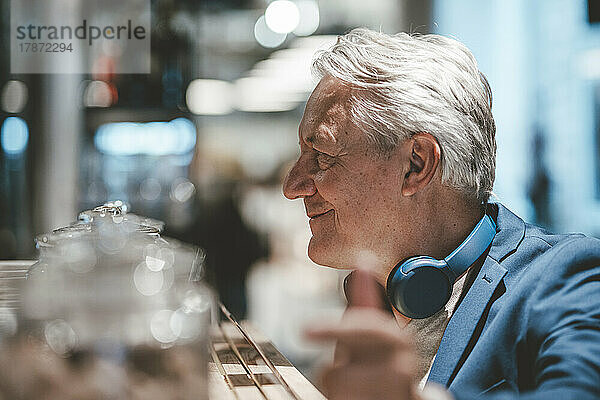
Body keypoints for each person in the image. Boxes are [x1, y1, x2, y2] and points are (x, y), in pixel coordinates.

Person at [282, 28, 600, 400]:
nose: (293, 185)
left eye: (321, 155)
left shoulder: (570, 275)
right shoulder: (377, 295)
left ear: (416, 165)